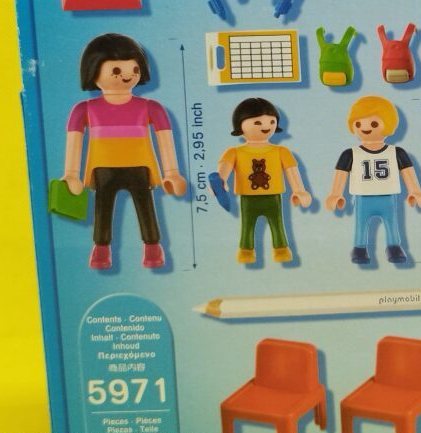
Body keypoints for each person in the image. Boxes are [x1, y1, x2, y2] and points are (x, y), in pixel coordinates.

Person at [63, 34, 186, 270]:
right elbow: (74, 141)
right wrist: (71, 174)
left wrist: (172, 172)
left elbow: (165, 138)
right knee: (102, 208)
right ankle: (101, 248)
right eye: (116, 70)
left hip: (139, 167)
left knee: (146, 207)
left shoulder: (151, 107)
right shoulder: (84, 109)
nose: (127, 75)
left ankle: (153, 246)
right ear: (93, 70)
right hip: (103, 169)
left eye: (134, 68)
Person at [325, 96, 421, 264]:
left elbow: (408, 172)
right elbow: (341, 174)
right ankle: (359, 248)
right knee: (360, 224)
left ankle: (394, 247)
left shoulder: (396, 152)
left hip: (388, 197)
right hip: (363, 198)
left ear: (388, 124)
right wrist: (335, 194)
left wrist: (415, 191)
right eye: (358, 123)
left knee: (392, 224)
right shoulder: (350, 154)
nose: (365, 128)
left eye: (374, 123)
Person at [215, 98, 312, 264]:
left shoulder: (281, 151)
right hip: (248, 199)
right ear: (240, 125)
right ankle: (246, 251)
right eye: (257, 122)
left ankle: (281, 249)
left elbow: (292, 171)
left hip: (273, 198)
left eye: (272, 121)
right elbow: (223, 170)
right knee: (247, 226)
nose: (266, 126)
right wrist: (219, 183)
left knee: (278, 224)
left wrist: (299, 190)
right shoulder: (234, 152)